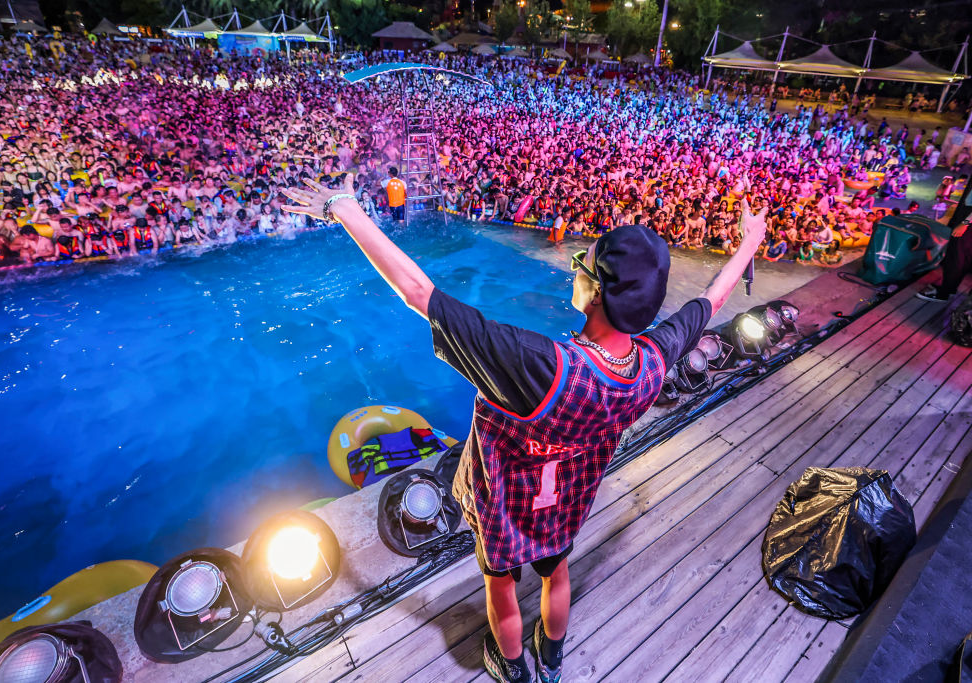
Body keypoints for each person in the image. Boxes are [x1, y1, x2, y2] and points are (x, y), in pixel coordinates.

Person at [281, 174, 769, 683]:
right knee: (557, 575)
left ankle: (512, 667)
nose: (575, 270)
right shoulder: (651, 362)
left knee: (501, 588)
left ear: (597, 292)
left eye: (583, 265)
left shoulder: (537, 364)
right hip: (568, 504)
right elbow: (709, 303)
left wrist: (344, 207)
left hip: (506, 507)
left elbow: (417, 292)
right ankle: (552, 659)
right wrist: (749, 243)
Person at [917, 219, 971, 303]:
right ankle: (950, 288)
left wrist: (965, 223)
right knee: (962, 258)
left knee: (956, 258)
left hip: (968, 225)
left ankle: (943, 293)